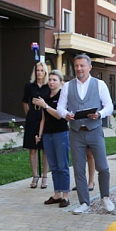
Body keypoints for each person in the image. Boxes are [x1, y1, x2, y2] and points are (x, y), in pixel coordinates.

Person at [56, 54, 115, 214]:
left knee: (103, 167)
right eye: (76, 66)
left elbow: (109, 106)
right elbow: (60, 107)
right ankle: (84, 202)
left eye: (82, 65)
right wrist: (65, 114)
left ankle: (105, 197)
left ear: (89, 67)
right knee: (79, 169)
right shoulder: (67, 86)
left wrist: (100, 114)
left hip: (95, 130)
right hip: (76, 132)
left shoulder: (99, 84)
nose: (79, 68)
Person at [34, 70, 71, 208]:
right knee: (54, 166)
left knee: (62, 165)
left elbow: (59, 115)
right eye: (50, 79)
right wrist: (39, 134)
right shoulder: (45, 97)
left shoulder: (63, 96)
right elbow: (43, 118)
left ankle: (65, 195)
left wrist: (45, 105)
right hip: (47, 135)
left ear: (61, 82)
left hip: (60, 133)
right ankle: (57, 194)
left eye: (54, 80)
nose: (51, 82)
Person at [23, 62, 50, 189]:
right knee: (32, 148)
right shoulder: (29, 86)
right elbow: (24, 101)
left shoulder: (48, 86)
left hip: (45, 116)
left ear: (45, 72)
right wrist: (29, 114)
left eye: (41, 70)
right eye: (37, 70)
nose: (39, 72)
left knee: (45, 148)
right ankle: (35, 175)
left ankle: (45, 176)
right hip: (32, 116)